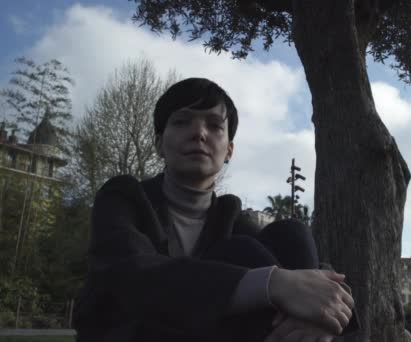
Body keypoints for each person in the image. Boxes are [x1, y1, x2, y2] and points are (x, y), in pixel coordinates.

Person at [73, 78, 358, 342]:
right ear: (159, 143)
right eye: (182, 122)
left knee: (291, 233)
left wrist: (320, 313)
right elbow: (132, 276)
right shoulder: (123, 197)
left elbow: (313, 270)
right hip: (137, 332)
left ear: (229, 151)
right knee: (239, 255)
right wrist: (273, 284)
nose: (198, 133)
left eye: (214, 125)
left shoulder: (229, 217)